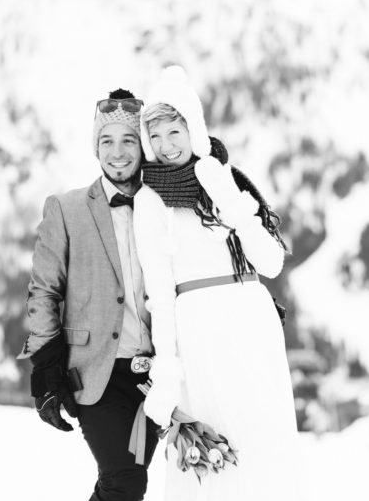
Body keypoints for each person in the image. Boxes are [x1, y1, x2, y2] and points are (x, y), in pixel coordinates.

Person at [132, 66, 299, 500]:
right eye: (157, 137)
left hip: (253, 320)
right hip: (200, 330)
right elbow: (160, 294)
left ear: (195, 127)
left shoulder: (228, 178)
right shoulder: (151, 200)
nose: (166, 147)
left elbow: (271, 262)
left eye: (175, 131)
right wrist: (166, 369)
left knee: (266, 444)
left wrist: (225, 194)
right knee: (216, 454)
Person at [17, 88, 159, 501]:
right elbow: (43, 292)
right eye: (107, 141)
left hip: (158, 375)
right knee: (124, 483)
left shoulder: (163, 206)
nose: (118, 153)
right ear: (95, 147)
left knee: (119, 484)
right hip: (97, 372)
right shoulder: (67, 209)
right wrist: (45, 367)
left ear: (142, 147)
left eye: (128, 140)